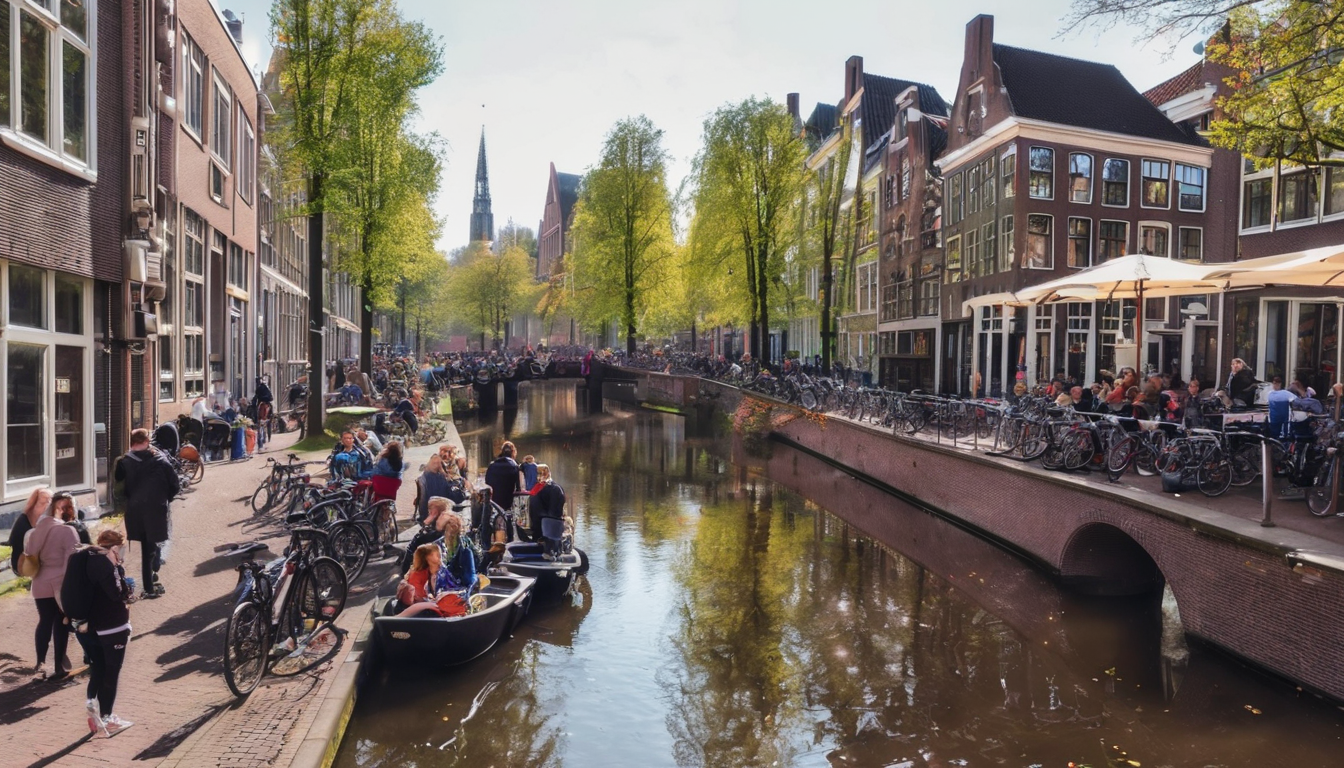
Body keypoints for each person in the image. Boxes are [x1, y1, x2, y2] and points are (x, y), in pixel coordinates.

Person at [64, 529, 135, 737]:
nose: (121, 555)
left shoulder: (86, 559)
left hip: (88, 627)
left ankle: (90, 704)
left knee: (98, 667)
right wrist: (124, 581)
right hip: (112, 626)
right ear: (114, 547)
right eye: (120, 550)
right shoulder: (106, 564)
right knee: (112, 672)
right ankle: (107, 717)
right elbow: (116, 594)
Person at [115, 428, 180, 599]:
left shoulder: (123, 462)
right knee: (151, 545)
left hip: (135, 510)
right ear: (146, 442)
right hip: (155, 509)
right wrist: (165, 499)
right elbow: (175, 485)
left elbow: (117, 489)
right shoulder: (161, 461)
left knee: (146, 546)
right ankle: (150, 584)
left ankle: (150, 581)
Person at [23, 491, 80, 680]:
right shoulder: (68, 531)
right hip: (59, 584)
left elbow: (30, 552)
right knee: (62, 623)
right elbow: (71, 560)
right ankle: (58, 666)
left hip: (40, 582)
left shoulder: (37, 530)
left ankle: (40, 662)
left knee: (45, 621)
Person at [8, 487, 51, 574]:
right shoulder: (24, 521)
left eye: (49, 503)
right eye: (42, 503)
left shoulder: (48, 519)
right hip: (24, 564)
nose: (45, 508)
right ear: (34, 505)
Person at [529, 464, 567, 560]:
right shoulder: (556, 489)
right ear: (548, 474)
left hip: (539, 530)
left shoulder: (535, 490)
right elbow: (557, 513)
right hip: (550, 532)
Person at [484, 441, 523, 522]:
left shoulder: (492, 465)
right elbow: (518, 488)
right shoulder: (514, 466)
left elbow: (487, 483)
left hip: (493, 502)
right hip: (507, 502)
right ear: (513, 452)